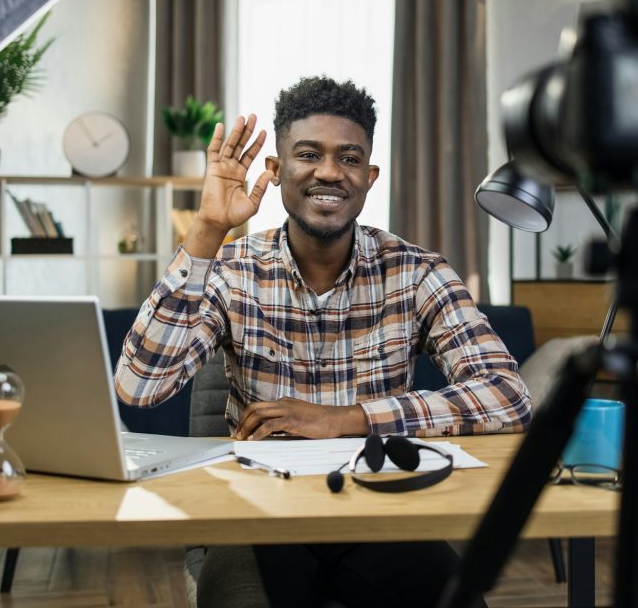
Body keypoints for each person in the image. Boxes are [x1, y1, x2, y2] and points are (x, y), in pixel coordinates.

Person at [115, 76, 532, 607]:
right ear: (275, 170)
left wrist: (347, 420)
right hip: (259, 516)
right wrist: (207, 230)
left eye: (349, 158)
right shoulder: (232, 269)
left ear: (369, 176)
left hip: (378, 511)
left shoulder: (417, 271)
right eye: (308, 154)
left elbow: (509, 396)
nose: (329, 172)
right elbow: (137, 386)